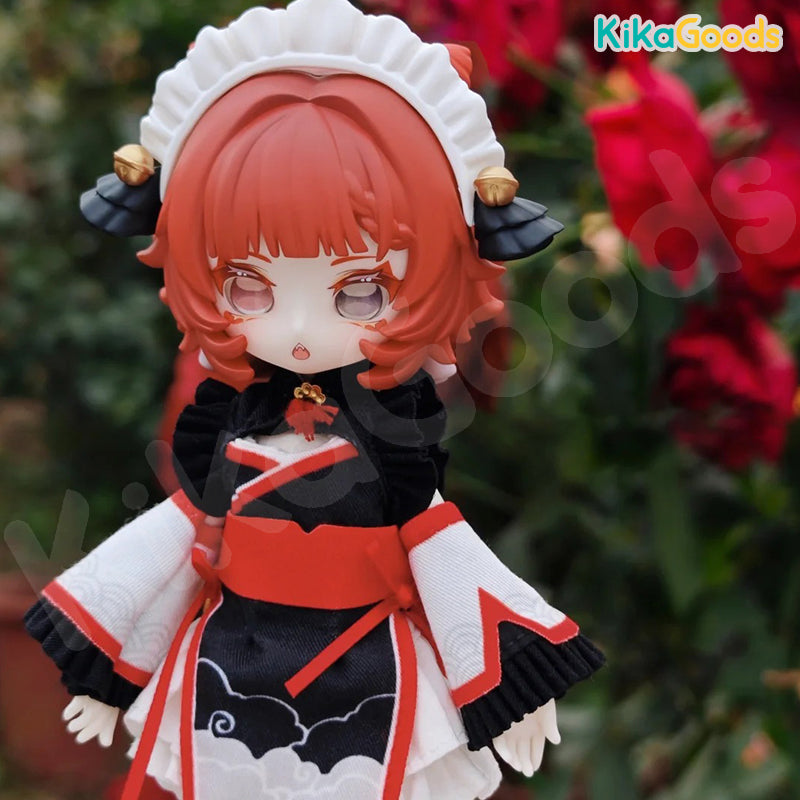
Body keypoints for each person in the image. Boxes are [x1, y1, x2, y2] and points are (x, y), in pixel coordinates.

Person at [24, 1, 604, 798]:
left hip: (368, 674)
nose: (298, 331)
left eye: (360, 292)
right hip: (230, 669)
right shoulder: (227, 428)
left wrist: (512, 685)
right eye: (247, 285)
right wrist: (108, 674)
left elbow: (442, 549)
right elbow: (172, 547)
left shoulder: (392, 436)